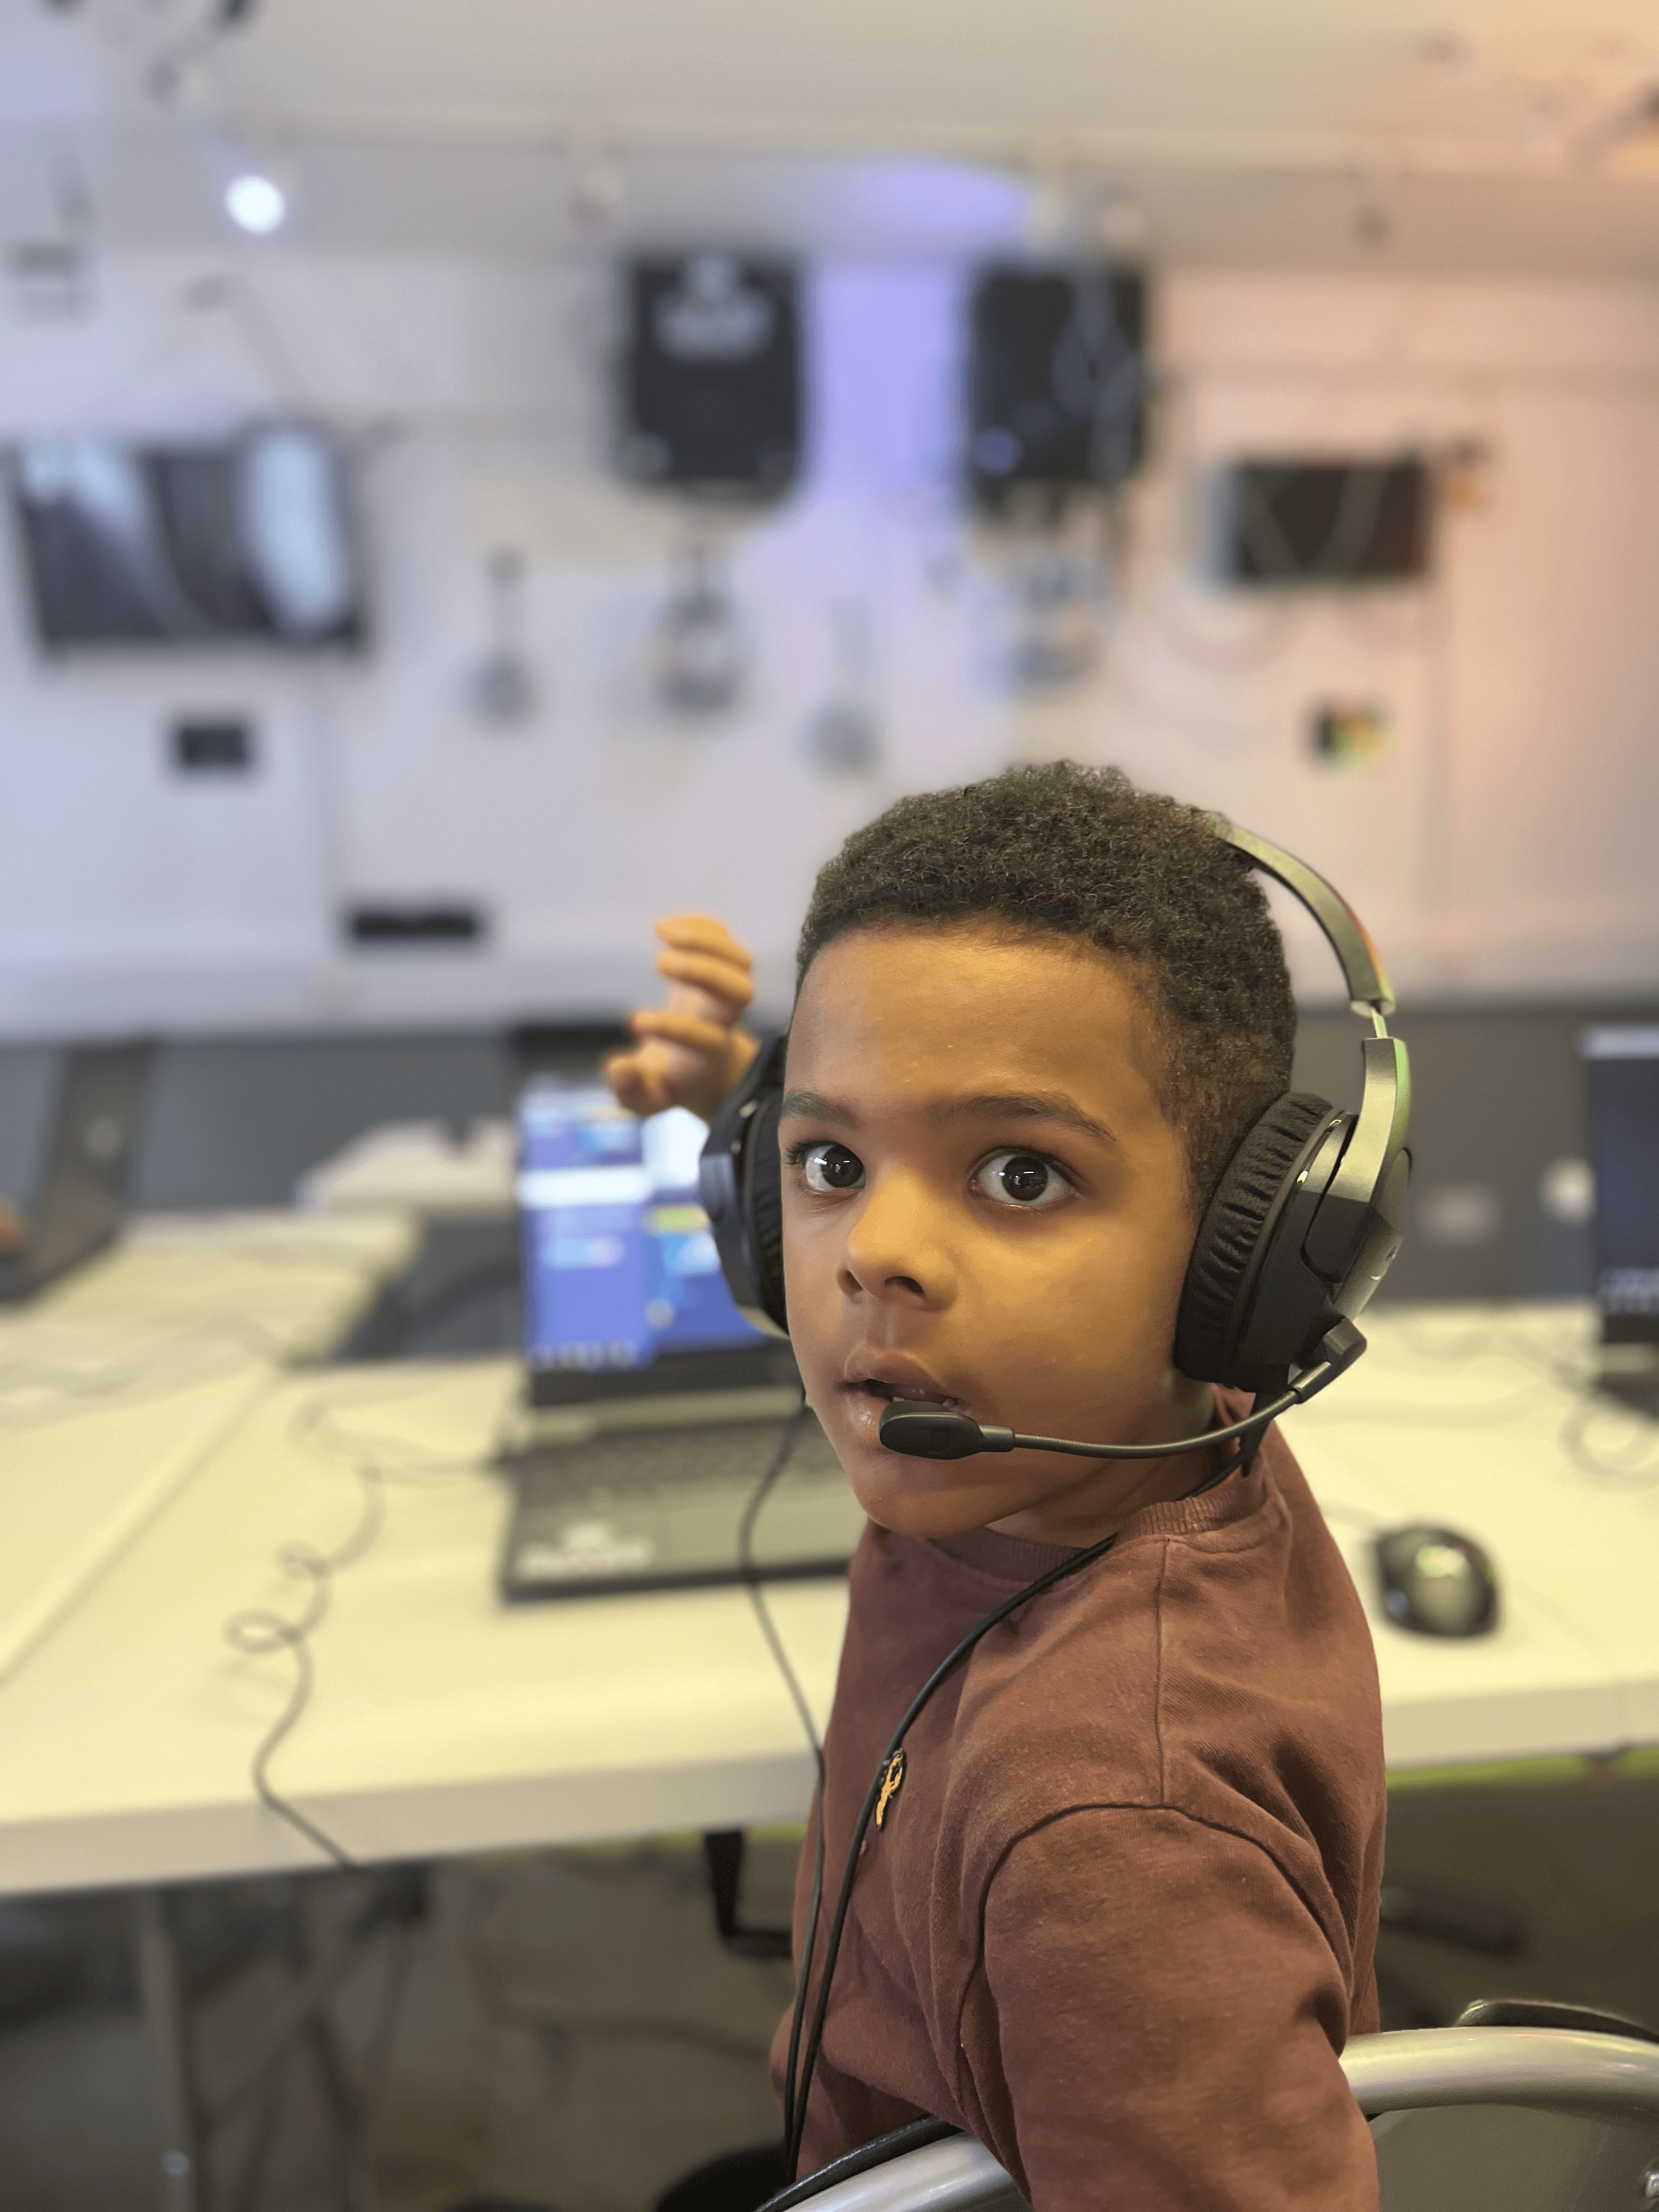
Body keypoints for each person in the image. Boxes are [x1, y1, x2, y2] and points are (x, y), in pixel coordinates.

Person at [606, 762, 1384, 2211]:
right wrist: (748, 1116)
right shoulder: (1105, 1437)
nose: (871, 1254)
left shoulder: (1108, 1845)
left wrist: (835, 1142)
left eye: (1019, 1176)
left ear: (1247, 1265)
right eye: (830, 1163)